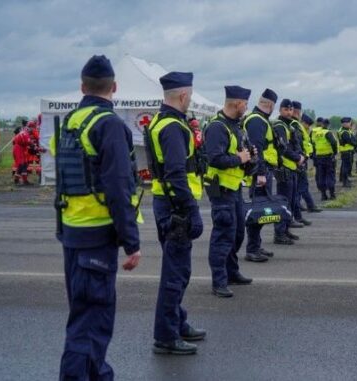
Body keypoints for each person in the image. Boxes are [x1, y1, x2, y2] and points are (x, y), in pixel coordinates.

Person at [54, 55, 143, 380]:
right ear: (115, 87)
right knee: (90, 324)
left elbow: (65, 178)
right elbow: (119, 187)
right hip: (97, 238)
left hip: (72, 233)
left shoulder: (71, 122)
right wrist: (131, 242)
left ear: (82, 87)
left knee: (85, 316)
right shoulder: (109, 125)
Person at [146, 72, 206, 355]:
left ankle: (177, 323)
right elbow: (175, 173)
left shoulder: (160, 121)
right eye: (190, 95)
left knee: (177, 269)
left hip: (166, 202)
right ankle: (166, 336)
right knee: (176, 273)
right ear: (183, 96)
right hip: (176, 205)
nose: (191, 99)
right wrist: (191, 209)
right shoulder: (172, 127)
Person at [203, 85, 256, 297]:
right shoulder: (217, 127)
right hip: (221, 189)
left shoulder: (236, 126)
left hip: (234, 187)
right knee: (223, 235)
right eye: (245, 103)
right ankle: (219, 281)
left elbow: (240, 155)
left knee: (237, 233)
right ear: (236, 103)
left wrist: (249, 156)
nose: (246, 107)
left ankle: (232, 272)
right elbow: (214, 158)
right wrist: (240, 158)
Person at [243, 88, 281, 261]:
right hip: (259, 173)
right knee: (258, 209)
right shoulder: (257, 121)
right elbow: (256, 149)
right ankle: (252, 249)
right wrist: (260, 173)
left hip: (263, 170)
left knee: (260, 208)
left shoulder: (259, 119)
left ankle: (256, 245)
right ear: (271, 105)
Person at [271, 99, 305, 244]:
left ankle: (285, 230)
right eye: (286, 109)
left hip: (292, 168)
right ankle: (279, 233)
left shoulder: (288, 125)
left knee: (289, 202)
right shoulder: (279, 126)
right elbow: (283, 148)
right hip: (284, 168)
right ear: (280, 110)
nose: (289, 112)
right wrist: (298, 157)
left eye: (290, 110)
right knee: (282, 202)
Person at [290, 101, 313, 226]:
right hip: (297, 161)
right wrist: (300, 157)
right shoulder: (294, 125)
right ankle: (296, 216)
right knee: (297, 189)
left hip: (300, 160)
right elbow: (297, 143)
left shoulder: (296, 125)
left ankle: (297, 215)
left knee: (297, 190)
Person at [297, 113, 322, 213]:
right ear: (303, 122)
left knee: (300, 185)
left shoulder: (304, 130)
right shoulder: (299, 130)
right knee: (303, 185)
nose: (309, 127)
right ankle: (310, 205)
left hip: (303, 160)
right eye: (308, 124)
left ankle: (298, 205)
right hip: (300, 160)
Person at [311, 116, 338, 199]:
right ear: (328, 125)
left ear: (322, 124)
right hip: (328, 157)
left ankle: (323, 195)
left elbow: (313, 143)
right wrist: (335, 152)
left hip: (319, 157)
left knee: (321, 176)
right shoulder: (328, 133)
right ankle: (332, 194)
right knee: (330, 175)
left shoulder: (317, 133)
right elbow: (333, 142)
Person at [338, 117, 356, 187]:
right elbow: (350, 141)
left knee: (344, 166)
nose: (350, 124)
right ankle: (345, 182)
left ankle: (344, 180)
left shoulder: (344, 130)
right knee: (346, 167)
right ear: (345, 124)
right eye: (349, 123)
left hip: (345, 151)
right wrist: (355, 143)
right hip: (346, 151)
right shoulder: (344, 132)